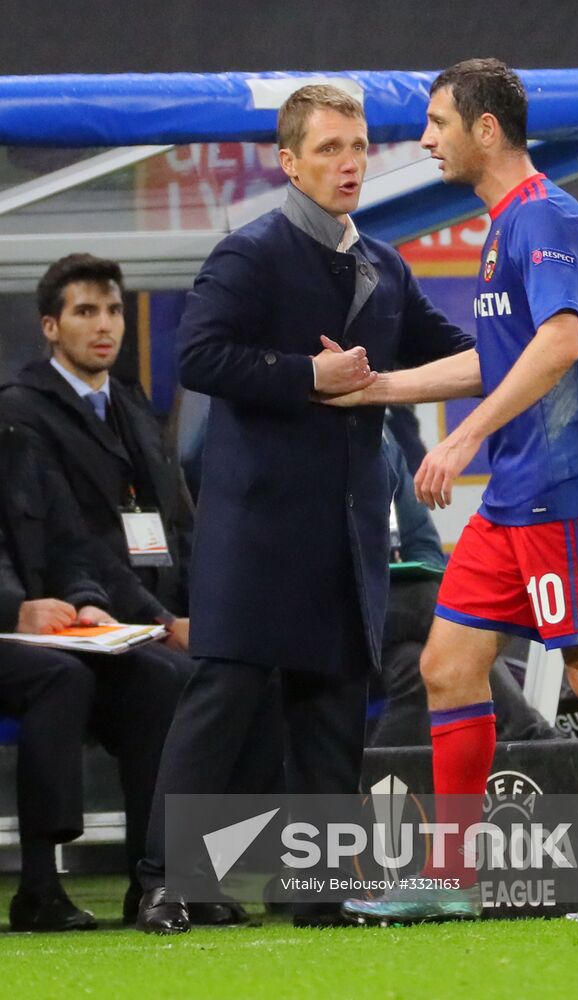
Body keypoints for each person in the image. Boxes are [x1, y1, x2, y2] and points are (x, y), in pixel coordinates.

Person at [329, 59, 578, 925]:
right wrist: (381, 388)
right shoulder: (505, 225)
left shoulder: (547, 219)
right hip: (514, 499)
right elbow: (497, 357)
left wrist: (461, 436)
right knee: (445, 666)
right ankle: (451, 879)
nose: (425, 140)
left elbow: (561, 344)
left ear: (484, 129)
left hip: (566, 492)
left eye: (437, 123)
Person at [134, 83, 472, 933]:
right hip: (255, 531)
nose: (348, 162)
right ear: (288, 162)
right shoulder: (248, 254)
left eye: (357, 146)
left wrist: (540, 336)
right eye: (328, 148)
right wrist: (304, 376)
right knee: (222, 702)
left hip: (348, 533)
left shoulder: (385, 266)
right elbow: (201, 357)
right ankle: (162, 883)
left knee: (329, 710)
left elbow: (465, 352)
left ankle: (315, 889)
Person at [0, 422, 191, 930]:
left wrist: (87, 600)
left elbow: (71, 545)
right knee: (60, 678)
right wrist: (12, 609)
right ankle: (39, 886)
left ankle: (152, 879)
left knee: (158, 678)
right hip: (19, 641)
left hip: (46, 637)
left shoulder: (20, 441)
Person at [0, 255, 193, 647]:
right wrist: (164, 622)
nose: (104, 325)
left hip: (167, 609)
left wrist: (205, 612)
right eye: (86, 311)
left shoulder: (133, 405)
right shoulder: (22, 409)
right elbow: (70, 534)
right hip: (99, 614)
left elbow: (180, 521)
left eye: (114, 310)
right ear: (50, 327)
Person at [369, 426, 556, 747]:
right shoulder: (303, 441)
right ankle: (531, 738)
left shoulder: (380, 438)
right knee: (433, 599)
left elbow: (423, 544)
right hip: (333, 607)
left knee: (416, 667)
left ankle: (371, 788)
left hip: (391, 619)